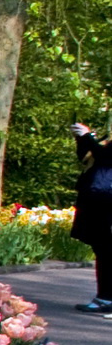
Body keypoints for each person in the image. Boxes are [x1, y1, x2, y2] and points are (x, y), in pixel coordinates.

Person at [78, 120, 112, 314]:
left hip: (107, 202)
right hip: (101, 201)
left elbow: (106, 156)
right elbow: (87, 158)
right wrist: (82, 139)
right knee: (104, 249)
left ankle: (106, 298)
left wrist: (87, 137)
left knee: (106, 250)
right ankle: (105, 297)